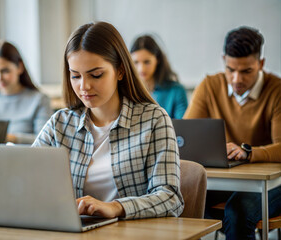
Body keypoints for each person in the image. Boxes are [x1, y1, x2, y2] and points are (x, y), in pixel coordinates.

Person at [33, 22, 184, 219]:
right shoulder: (60, 124)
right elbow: (27, 181)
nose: (84, 86)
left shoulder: (154, 120)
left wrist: (116, 207)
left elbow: (170, 198)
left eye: (96, 75)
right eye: (75, 76)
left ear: (120, 71)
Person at [184, 26, 281, 240]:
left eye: (246, 71)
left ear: (261, 64)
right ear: (223, 61)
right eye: (230, 69)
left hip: (271, 183)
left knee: (238, 212)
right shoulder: (210, 86)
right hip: (227, 179)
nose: (236, 79)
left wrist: (249, 152)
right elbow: (185, 135)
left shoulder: (276, 90)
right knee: (184, 200)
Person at [0, 40, 53, 144]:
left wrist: (10, 138)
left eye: (5, 71)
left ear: (20, 67)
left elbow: (46, 141)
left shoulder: (39, 100)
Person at [130, 35, 188, 119]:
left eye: (147, 62)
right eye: (136, 62)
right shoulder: (127, 92)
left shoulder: (176, 91)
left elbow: (183, 128)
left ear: (157, 60)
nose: (141, 69)